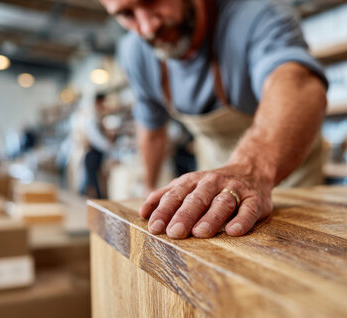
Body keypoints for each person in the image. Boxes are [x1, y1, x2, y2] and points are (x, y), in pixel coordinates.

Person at [100, 0, 328, 239]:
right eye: (126, 14)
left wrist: (250, 172)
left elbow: (299, 85)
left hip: (287, 173)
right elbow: (153, 130)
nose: (148, 27)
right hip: (215, 180)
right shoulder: (136, 52)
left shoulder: (258, 15)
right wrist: (147, 188)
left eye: (152, 0)